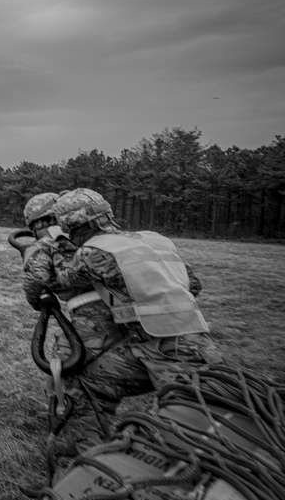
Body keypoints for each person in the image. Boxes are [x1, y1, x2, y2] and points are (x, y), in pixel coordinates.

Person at [49, 188, 223, 452]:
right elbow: (194, 284)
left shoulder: (93, 250)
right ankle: (89, 450)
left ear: (73, 225)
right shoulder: (157, 240)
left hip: (175, 351)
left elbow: (64, 279)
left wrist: (59, 248)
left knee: (187, 428)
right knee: (90, 380)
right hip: (176, 344)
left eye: (69, 230)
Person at [21, 193, 124, 455]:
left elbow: (36, 279)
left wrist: (38, 300)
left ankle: (74, 440)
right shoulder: (100, 235)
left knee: (64, 370)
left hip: (93, 316)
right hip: (130, 313)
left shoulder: (51, 240)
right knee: (102, 375)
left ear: (37, 223)